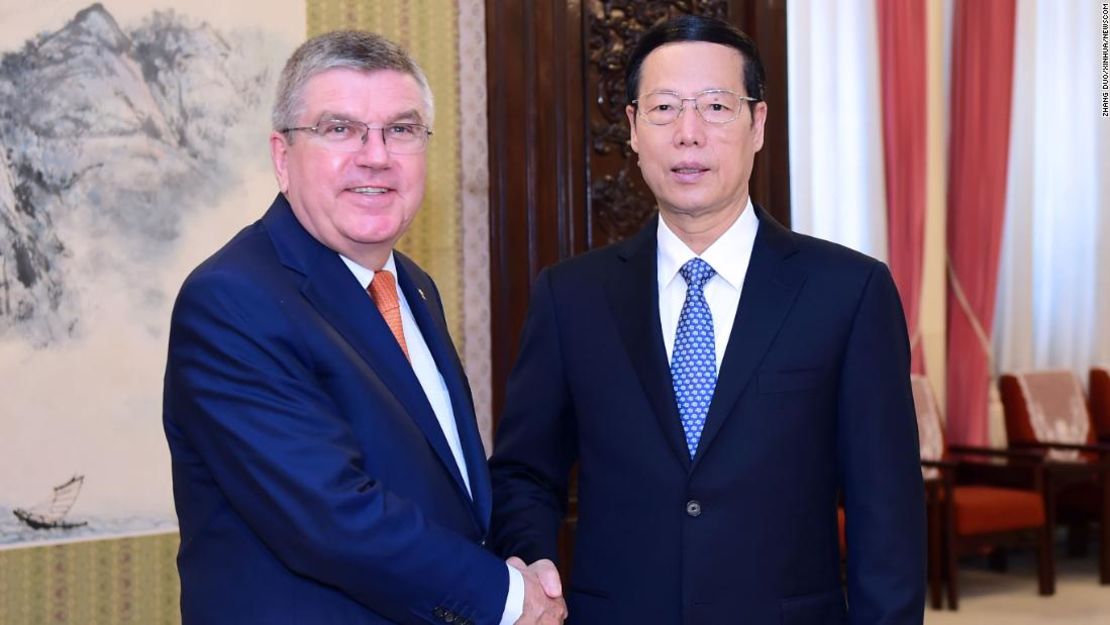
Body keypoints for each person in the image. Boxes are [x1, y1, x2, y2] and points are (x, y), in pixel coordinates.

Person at [489, 15, 925, 625]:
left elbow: (888, 515)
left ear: (759, 125)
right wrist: (531, 560)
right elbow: (523, 473)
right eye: (664, 108)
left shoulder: (848, 293)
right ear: (634, 129)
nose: (688, 134)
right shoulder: (571, 297)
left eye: (717, 106)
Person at [163, 31, 565, 625]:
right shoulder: (231, 299)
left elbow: (444, 484)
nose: (375, 155)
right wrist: (508, 598)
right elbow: (328, 517)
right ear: (282, 156)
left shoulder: (412, 287)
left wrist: (524, 558)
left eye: (401, 130)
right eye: (339, 129)